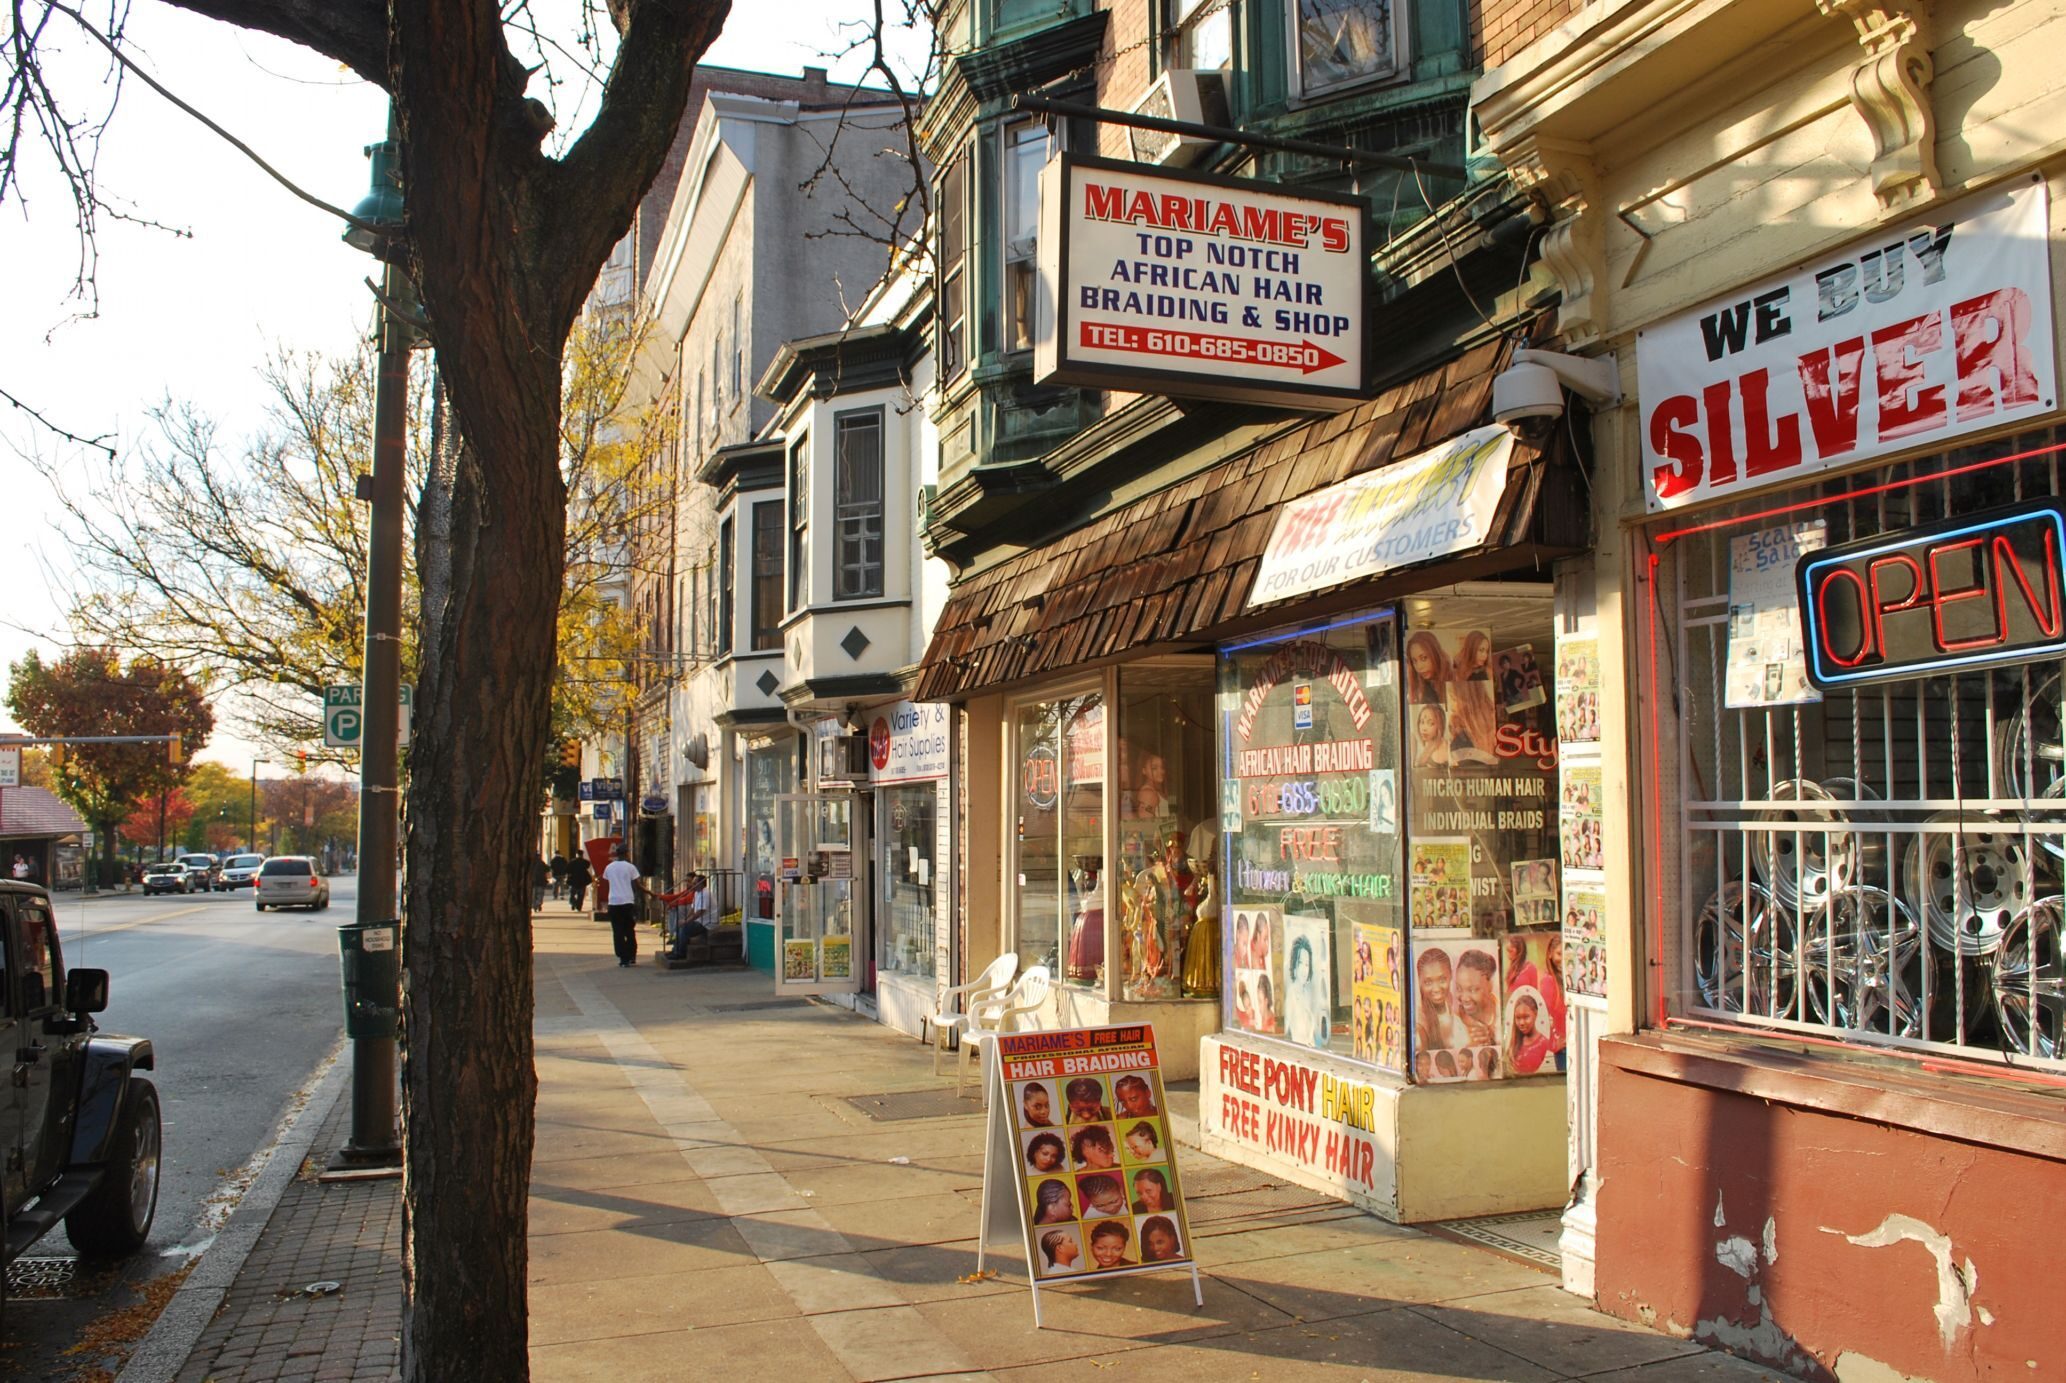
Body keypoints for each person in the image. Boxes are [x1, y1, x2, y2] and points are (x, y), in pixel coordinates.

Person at [1413, 948, 1467, 1051]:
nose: (1436, 989)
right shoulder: (1419, 1026)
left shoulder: (1458, 1006)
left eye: (1442, 980)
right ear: (1419, 981)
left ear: (1451, 975)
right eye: (1428, 982)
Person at [602, 845, 641, 967]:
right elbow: (636, 885)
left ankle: (622, 957)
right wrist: (647, 894)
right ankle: (631, 955)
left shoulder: (609, 867)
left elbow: (607, 881)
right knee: (629, 929)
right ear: (627, 853)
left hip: (613, 902)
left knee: (617, 931)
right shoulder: (630, 867)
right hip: (627, 901)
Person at [1454, 948, 1499, 1046]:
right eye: (1459, 988)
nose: (1465, 998)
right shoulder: (1454, 1024)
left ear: (1490, 985)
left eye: (1473, 990)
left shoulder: (1505, 1013)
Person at [1507, 987, 1555, 1074]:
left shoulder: (1544, 1043)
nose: (1522, 1022)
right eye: (1518, 1018)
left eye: (1526, 1017)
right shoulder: (1513, 1045)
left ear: (1535, 1014)